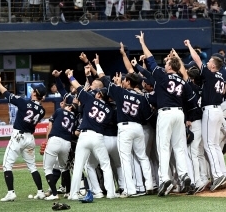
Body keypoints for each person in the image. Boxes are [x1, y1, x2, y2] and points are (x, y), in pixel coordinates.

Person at [135, 31, 198, 197]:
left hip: (166, 113)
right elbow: (191, 102)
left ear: (170, 67)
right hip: (179, 114)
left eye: (168, 62)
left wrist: (142, 42)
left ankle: (164, 179)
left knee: (163, 147)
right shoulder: (183, 82)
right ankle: (185, 176)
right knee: (180, 148)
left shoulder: (162, 76)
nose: (165, 64)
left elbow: (149, 59)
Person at [94, 54, 154, 198]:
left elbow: (103, 78)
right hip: (139, 128)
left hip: (125, 128)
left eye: (125, 79)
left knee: (126, 158)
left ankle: (130, 189)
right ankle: (150, 185)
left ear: (127, 81)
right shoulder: (141, 97)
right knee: (143, 157)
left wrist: (97, 64)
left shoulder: (120, 92)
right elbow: (148, 117)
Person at [184, 40, 226, 191]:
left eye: (209, 61)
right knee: (215, 145)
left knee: (210, 145)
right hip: (219, 110)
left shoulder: (210, 75)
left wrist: (190, 45)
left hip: (210, 110)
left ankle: (217, 175)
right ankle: (224, 172)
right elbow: (222, 92)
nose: (207, 61)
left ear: (213, 66)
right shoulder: (221, 77)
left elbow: (196, 59)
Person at [66, 69, 117, 200]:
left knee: (78, 166)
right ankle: (111, 193)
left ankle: (73, 194)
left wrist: (71, 77)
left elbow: (78, 87)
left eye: (98, 93)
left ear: (99, 95)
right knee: (105, 165)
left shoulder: (89, 99)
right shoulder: (110, 111)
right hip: (98, 137)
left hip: (84, 135)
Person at [0, 74, 47, 202]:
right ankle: (40, 192)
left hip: (18, 136)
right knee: (33, 167)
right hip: (30, 139)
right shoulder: (42, 111)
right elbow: (37, 104)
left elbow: (6, 94)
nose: (31, 91)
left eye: (33, 90)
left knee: (7, 165)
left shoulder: (24, 103)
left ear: (35, 93)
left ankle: (11, 193)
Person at [43, 94, 77, 200]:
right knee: (64, 168)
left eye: (67, 104)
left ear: (70, 106)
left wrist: (47, 140)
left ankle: (54, 194)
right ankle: (68, 192)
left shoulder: (58, 111)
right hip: (66, 143)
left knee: (48, 168)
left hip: (55, 140)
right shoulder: (75, 118)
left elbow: (50, 125)